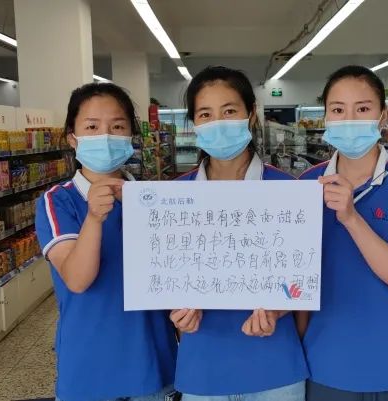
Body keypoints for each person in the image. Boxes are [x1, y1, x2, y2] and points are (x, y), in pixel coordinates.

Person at [171, 66, 309, 401]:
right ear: (194, 124)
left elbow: (303, 282)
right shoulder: (173, 199)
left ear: (251, 115)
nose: (218, 122)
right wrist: (175, 314)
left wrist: (280, 308)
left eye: (229, 111)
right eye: (205, 114)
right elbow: (163, 279)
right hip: (203, 366)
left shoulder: (289, 191)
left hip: (275, 366)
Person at [34, 83, 177, 401]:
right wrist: (94, 219)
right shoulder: (58, 201)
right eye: (92, 127)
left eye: (117, 127)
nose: (106, 137)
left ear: (130, 136)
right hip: (90, 369)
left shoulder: (153, 199)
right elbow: (77, 279)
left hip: (154, 363)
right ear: (72, 138)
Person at [299, 66, 388, 401]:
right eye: (337, 109)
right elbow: (298, 280)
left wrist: (350, 217)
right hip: (326, 364)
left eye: (362, 108)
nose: (348, 120)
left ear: (382, 116)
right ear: (326, 117)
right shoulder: (306, 184)